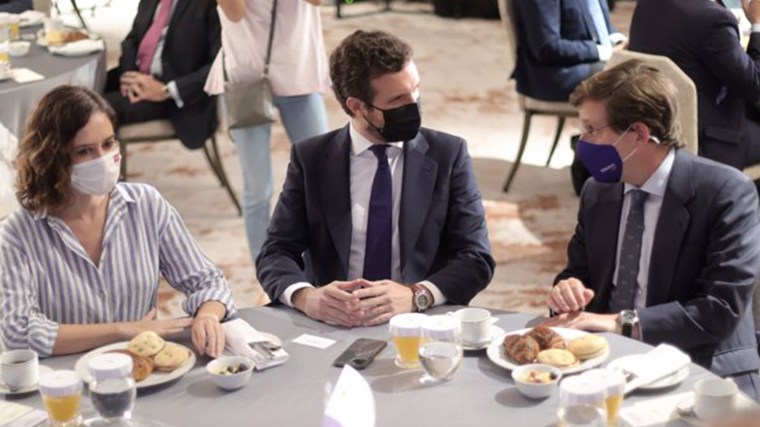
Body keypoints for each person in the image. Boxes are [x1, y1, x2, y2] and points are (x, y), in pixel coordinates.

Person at [544, 60, 760, 400]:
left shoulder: (726, 191)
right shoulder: (598, 191)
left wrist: (620, 323)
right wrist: (568, 289)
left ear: (640, 134)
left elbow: (721, 309)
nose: (582, 141)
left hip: (702, 366)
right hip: (609, 358)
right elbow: (579, 271)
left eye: (591, 129)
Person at [256, 30, 495, 327]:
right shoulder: (312, 158)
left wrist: (416, 295)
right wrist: (307, 297)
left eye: (416, 90)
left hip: (418, 321)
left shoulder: (448, 154)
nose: (414, 104)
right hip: (334, 322)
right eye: (398, 100)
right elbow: (276, 251)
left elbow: (476, 258)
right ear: (357, 107)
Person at [0, 86, 237, 358]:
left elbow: (208, 282)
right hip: (66, 384)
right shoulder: (18, 233)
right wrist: (122, 330)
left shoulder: (147, 205)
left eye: (109, 143)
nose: (102, 159)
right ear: (53, 158)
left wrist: (208, 315)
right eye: (84, 151)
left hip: (142, 371)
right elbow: (17, 333)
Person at [206, 0, 330, 262]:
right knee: (257, 187)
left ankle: (321, 262)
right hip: (245, 75)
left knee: (323, 176)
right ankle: (267, 271)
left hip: (299, 70)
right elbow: (235, 13)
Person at [629, 0, 760, 170]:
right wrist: (757, 23)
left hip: (658, 129)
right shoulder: (713, 18)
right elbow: (755, 86)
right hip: (709, 141)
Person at [103, 0, 220, 150]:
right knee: (82, 90)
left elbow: (219, 67)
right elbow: (132, 39)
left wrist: (166, 90)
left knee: (93, 110)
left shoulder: (213, 3)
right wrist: (130, 77)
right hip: (139, 76)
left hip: (177, 95)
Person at [512, 0, 627, 102]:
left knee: (638, 65)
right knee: (629, 76)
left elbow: (599, 24)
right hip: (557, 73)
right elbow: (547, 47)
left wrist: (618, 40)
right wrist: (605, 52)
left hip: (587, 62)